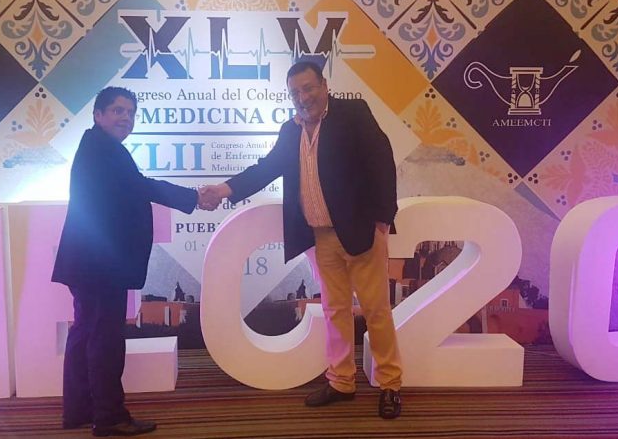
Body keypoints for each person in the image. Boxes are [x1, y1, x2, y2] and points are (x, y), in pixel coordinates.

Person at [200, 61, 403, 419]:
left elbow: (382, 163)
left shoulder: (353, 113)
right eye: (295, 92)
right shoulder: (289, 131)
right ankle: (342, 381)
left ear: (324, 86)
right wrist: (224, 189)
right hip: (321, 236)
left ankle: (390, 384)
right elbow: (265, 169)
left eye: (308, 88)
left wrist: (383, 220)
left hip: (360, 232)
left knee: (376, 310)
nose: (303, 97)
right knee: (334, 311)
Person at [52, 87, 214, 436]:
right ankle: (109, 417)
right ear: (98, 115)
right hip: (99, 264)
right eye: (117, 110)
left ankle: (79, 410)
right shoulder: (104, 150)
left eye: (130, 112)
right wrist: (194, 197)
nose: (125, 118)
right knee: (105, 339)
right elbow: (140, 187)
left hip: (88, 261)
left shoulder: (98, 146)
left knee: (85, 332)